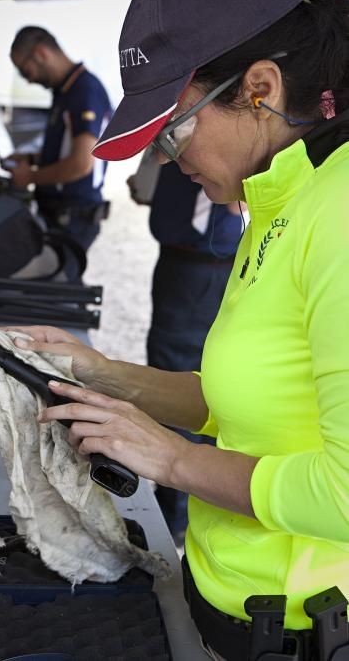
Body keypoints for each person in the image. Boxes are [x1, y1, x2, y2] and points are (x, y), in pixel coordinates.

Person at [3, 0, 349, 658]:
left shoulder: (337, 214)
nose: (166, 159)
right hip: (228, 612)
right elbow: (248, 407)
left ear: (260, 89)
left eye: (172, 130)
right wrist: (100, 373)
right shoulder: (274, 200)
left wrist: (171, 460)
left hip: (302, 634)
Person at [128, 158, 243, 545]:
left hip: (203, 265)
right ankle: (184, 508)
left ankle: (178, 515)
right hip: (186, 261)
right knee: (181, 373)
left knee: (183, 383)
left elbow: (239, 196)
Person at [6, 26, 112, 279]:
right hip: (58, 214)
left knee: (58, 291)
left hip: (73, 217)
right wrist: (32, 160)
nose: (28, 79)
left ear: (41, 53)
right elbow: (66, 150)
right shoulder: (64, 91)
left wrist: (28, 178)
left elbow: (81, 163)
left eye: (25, 70)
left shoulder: (84, 91)